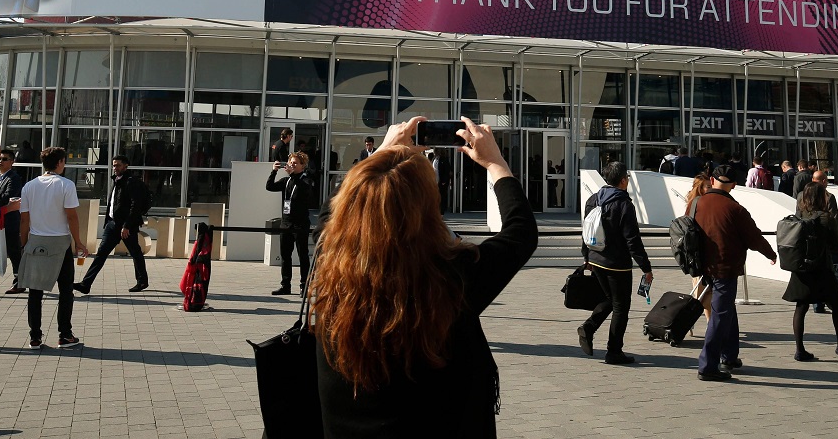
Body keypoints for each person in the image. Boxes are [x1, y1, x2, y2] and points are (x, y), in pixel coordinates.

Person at [313, 117, 537, 437]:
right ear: (428, 209)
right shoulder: (452, 277)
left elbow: (331, 213)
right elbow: (521, 233)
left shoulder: (332, 264)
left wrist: (382, 152)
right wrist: (495, 162)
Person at [693, 166, 777, 381]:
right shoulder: (735, 208)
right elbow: (754, 237)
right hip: (725, 268)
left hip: (703, 266)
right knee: (720, 316)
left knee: (726, 308)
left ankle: (729, 356)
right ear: (734, 185)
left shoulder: (696, 203)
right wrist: (770, 253)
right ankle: (708, 366)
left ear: (712, 180)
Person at [576, 161, 653, 364]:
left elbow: (586, 231)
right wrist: (646, 267)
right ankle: (614, 351)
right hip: (617, 264)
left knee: (611, 299)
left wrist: (586, 257)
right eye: (627, 177)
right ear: (622, 180)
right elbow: (632, 240)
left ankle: (588, 328)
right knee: (621, 307)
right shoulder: (623, 204)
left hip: (596, 258)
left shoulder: (594, 199)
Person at [782, 183, 838, 361]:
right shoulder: (825, 218)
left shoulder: (798, 218)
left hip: (801, 269)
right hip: (821, 268)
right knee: (837, 305)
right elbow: (834, 245)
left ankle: (799, 349)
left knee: (801, 308)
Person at [19, 146, 89, 349]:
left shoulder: (29, 186)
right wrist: (78, 241)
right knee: (65, 290)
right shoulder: (66, 184)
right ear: (59, 163)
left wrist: (24, 243)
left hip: (36, 241)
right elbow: (71, 216)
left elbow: (24, 219)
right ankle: (65, 334)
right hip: (60, 242)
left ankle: (35, 336)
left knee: (35, 291)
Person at [75, 155, 149, 294]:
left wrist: (127, 225)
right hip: (112, 224)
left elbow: (135, 205)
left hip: (126, 226)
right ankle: (86, 284)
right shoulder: (117, 180)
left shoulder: (131, 182)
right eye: (114, 165)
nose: (115, 168)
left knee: (135, 253)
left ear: (126, 166)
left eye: (118, 165)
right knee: (101, 254)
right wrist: (109, 221)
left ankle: (142, 281)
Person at [267, 150, 316, 295]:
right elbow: (269, 187)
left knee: (302, 255)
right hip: (286, 223)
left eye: (295, 163)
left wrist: (293, 175)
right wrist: (274, 172)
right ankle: (285, 285)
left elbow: (305, 191)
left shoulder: (306, 180)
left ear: (302, 166)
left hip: (300, 224)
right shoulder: (287, 181)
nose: (292, 165)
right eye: (291, 162)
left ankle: (304, 285)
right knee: (285, 255)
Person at [810, 170, 838, 313]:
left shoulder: (803, 196)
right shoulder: (828, 197)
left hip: (811, 241)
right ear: (824, 181)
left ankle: (817, 303)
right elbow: (835, 220)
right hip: (829, 240)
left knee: (817, 272)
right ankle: (827, 295)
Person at [684, 172, 714, 319]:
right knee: (701, 292)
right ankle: (687, 318)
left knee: (705, 291)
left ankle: (708, 322)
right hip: (699, 253)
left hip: (698, 252)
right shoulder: (698, 203)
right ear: (700, 188)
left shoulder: (694, 202)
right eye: (707, 186)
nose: (710, 188)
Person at [0, 147, 25, 294]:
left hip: (10, 221)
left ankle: (19, 281)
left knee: (14, 252)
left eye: (5, 159)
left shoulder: (14, 178)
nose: (1, 161)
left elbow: (8, 197)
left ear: (12, 162)